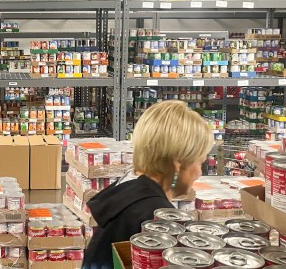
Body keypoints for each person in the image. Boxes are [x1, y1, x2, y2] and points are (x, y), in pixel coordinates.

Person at [82, 100, 213, 269]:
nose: (200, 173)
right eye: (200, 162)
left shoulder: (130, 189)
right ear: (178, 164)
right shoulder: (155, 217)